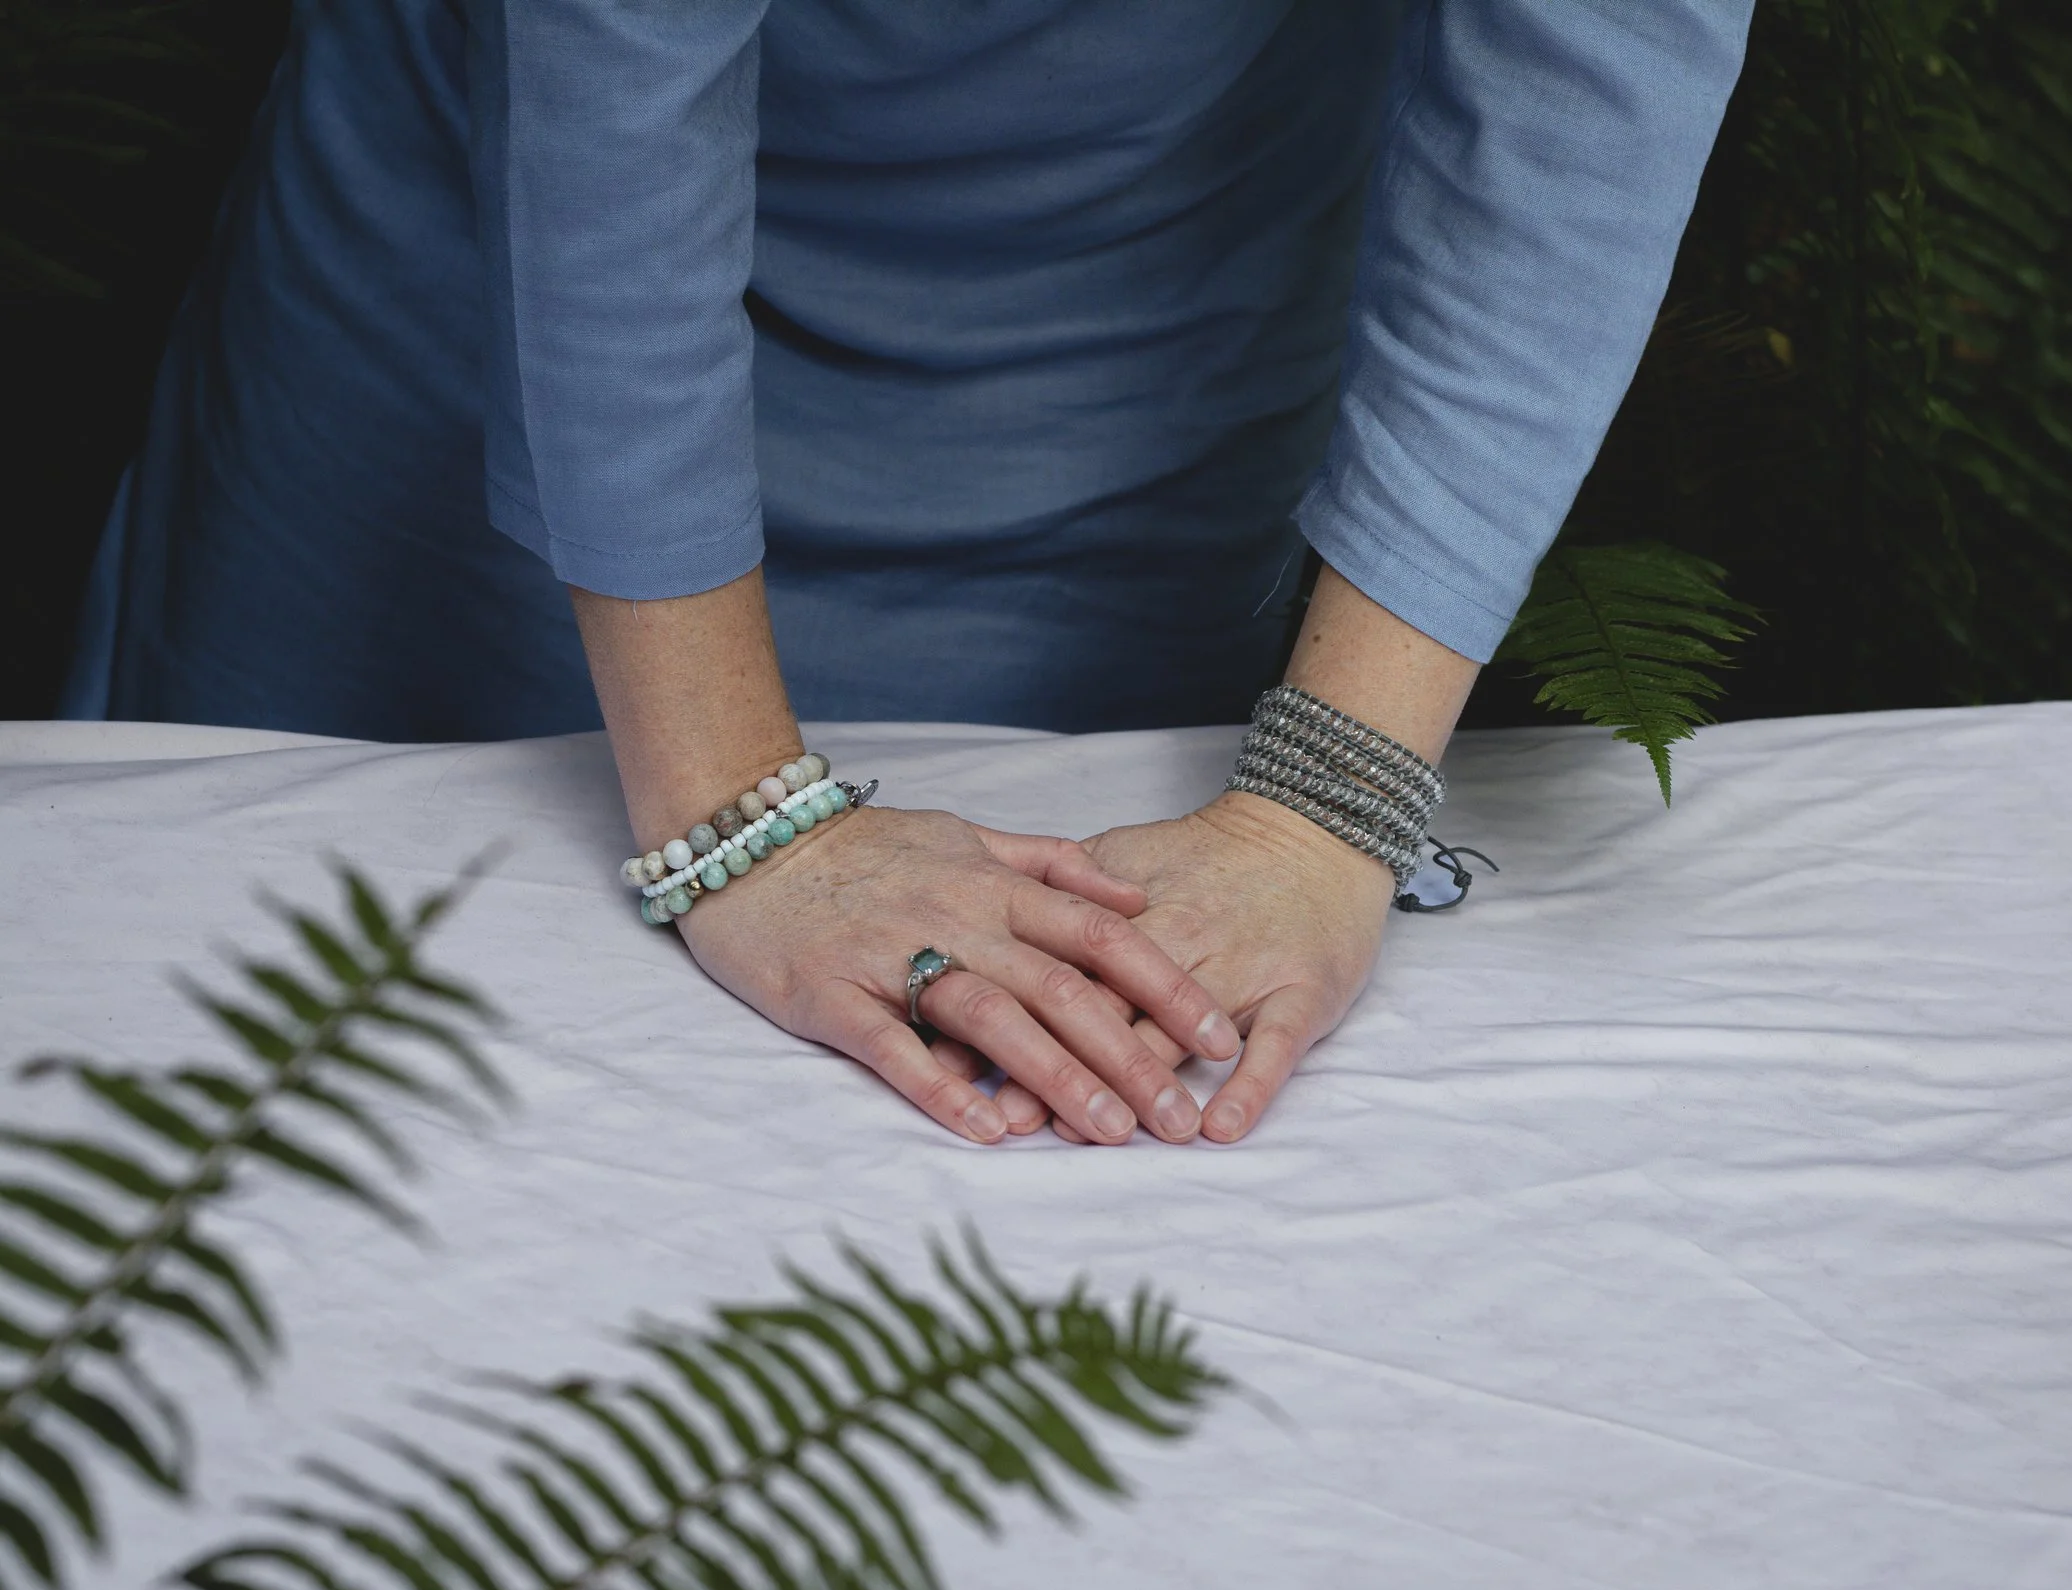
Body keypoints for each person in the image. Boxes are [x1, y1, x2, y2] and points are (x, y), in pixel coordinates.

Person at [63, 1, 1753, 1145]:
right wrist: (730, 806)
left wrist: (1322, 804)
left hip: (1168, 328)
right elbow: (613, 68)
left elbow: (1598, 67)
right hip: (490, 311)